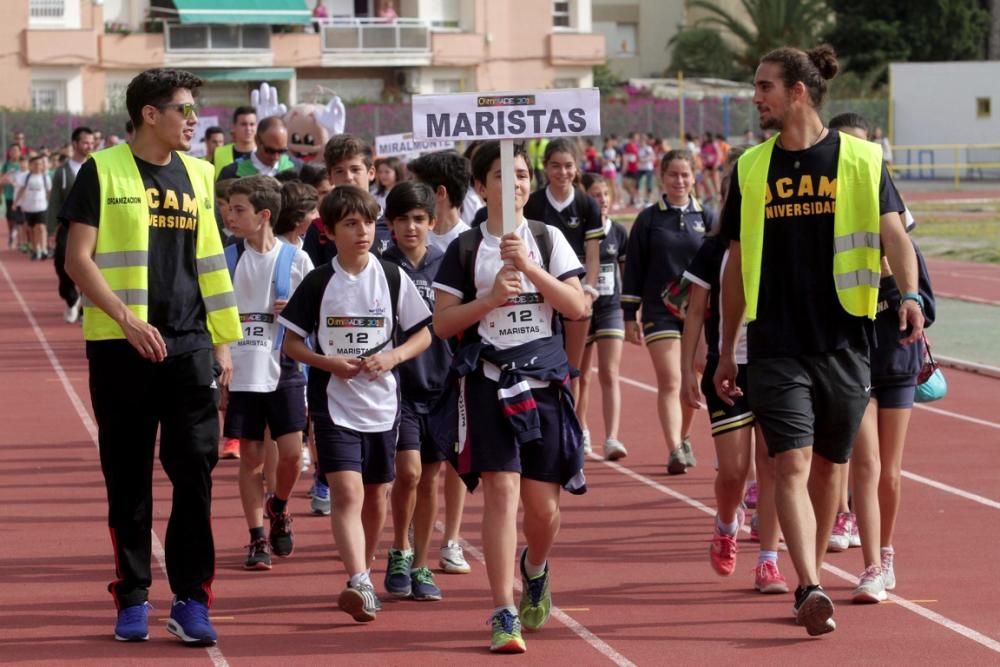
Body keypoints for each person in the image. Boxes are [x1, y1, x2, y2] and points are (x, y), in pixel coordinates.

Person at [713, 45, 923, 636]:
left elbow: (894, 238)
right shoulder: (750, 168)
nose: (756, 98)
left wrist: (909, 296)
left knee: (831, 468)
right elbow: (735, 267)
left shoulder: (860, 159)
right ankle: (807, 585)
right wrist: (728, 347)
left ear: (797, 92)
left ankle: (815, 577)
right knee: (791, 463)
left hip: (843, 340)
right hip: (776, 342)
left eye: (764, 88)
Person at [62, 68, 241, 646]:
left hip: (189, 346)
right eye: (184, 110)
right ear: (149, 114)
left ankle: (191, 599)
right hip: (122, 347)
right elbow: (77, 258)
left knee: (195, 476)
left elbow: (209, 259)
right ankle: (133, 595)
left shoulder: (201, 173)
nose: (194, 121)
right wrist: (125, 317)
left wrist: (221, 341)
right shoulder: (102, 169)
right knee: (129, 478)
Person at [431, 141, 588, 653]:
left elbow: (577, 307)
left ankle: (535, 567)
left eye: (521, 174)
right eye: (501, 176)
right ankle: (502, 610)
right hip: (488, 381)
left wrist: (533, 270)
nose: (515, 184)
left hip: (543, 382)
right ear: (480, 187)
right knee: (502, 493)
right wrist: (490, 298)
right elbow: (442, 323)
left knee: (543, 510)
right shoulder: (463, 249)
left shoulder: (548, 237)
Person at [279, 185, 432, 622]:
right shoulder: (319, 281)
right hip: (333, 402)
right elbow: (291, 343)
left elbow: (424, 331)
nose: (362, 231)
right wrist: (327, 362)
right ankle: (361, 580)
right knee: (346, 491)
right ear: (328, 232)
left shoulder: (391, 276)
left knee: (376, 495)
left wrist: (392, 357)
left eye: (367, 222)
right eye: (350, 224)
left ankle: (363, 570)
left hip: (383, 403)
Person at [825, 112, 935, 604]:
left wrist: (905, 296)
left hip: (895, 357)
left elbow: (922, 295)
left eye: (866, 147)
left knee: (889, 468)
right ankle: (870, 565)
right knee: (864, 463)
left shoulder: (897, 228)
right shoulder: (825, 209)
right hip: (849, 353)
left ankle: (885, 553)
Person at [679, 149, 788, 594]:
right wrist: (689, 369)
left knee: (775, 465)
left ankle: (769, 561)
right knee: (734, 470)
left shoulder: (783, 239)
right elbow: (695, 310)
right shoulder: (715, 248)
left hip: (778, 365)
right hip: (730, 366)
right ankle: (726, 523)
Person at [221, 175, 312, 571]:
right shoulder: (227, 258)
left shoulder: (296, 260)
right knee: (252, 459)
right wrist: (220, 356)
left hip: (285, 367)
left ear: (263, 215)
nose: (230, 215)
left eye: (238, 210)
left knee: (290, 455)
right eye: (228, 208)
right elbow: (212, 313)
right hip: (241, 370)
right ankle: (257, 536)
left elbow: (314, 318)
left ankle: (279, 506)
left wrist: (292, 311)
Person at [379, 181, 450, 601]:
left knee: (432, 479)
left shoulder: (447, 265)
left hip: (440, 385)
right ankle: (400, 550)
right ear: (390, 224)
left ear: (432, 222)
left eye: (419, 219)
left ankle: (422, 562)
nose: (411, 227)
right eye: (402, 219)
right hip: (397, 387)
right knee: (408, 472)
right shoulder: (382, 267)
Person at [402, 148, 473, 573]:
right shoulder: (409, 240)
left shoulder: (471, 240)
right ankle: (416, 533)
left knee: (456, 457)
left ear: (439, 195)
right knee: (417, 468)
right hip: (413, 372)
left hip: (458, 364)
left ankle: (451, 539)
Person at [622, 150, 711, 474]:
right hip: (659, 310)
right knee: (672, 379)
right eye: (673, 174)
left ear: (694, 177)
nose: (679, 181)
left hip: (699, 314)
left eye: (685, 175)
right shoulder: (648, 219)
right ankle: (674, 447)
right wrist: (629, 314)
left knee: (695, 376)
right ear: (661, 177)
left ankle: (684, 436)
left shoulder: (707, 217)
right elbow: (633, 269)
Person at [522, 138, 604, 416]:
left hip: (575, 292)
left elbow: (593, 254)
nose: (562, 172)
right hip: (540, 293)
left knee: (573, 368)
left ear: (577, 167)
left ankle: (577, 428)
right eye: (555, 166)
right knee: (542, 365)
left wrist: (589, 289)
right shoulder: (532, 204)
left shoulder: (587, 205)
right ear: (544, 168)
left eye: (568, 166)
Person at [576, 173, 628, 461]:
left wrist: (631, 309)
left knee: (609, 372)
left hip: (609, 309)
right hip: (581, 308)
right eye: (596, 195)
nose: (603, 200)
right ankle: (582, 430)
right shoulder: (577, 230)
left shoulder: (618, 232)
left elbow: (627, 272)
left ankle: (612, 437)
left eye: (606, 194)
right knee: (582, 375)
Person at [302, 134, 392, 266]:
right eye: (339, 171)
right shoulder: (320, 229)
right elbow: (312, 280)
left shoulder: (393, 224)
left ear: (371, 173)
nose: (348, 177)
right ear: (330, 177)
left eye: (355, 169)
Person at [48, 126, 94, 323]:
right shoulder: (62, 172)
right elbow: (55, 202)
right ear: (75, 144)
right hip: (68, 226)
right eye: (85, 143)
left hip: (91, 226)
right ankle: (70, 297)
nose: (89, 146)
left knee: (90, 265)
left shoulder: (96, 166)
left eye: (92, 143)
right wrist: (52, 229)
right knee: (61, 263)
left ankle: (84, 307)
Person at [217, 116, 296, 181]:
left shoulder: (296, 170)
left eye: (282, 151)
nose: (275, 157)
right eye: (270, 150)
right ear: (257, 140)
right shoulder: (232, 173)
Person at [14, 154, 52, 260]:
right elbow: (21, 190)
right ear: (31, 165)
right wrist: (16, 202)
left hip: (42, 206)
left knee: (41, 227)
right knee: (32, 229)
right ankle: (36, 249)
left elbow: (49, 192)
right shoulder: (26, 177)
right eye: (35, 164)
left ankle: (44, 249)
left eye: (39, 164)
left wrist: (51, 205)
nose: (37, 166)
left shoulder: (45, 177)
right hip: (29, 207)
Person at [214, 106, 257, 178]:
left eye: (252, 124)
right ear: (233, 127)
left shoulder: (264, 154)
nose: (248, 129)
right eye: (243, 124)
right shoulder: (218, 153)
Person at [3, 144, 25, 250]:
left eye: (16, 150)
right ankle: (12, 234)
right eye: (12, 150)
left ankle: (20, 238)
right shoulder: (6, 165)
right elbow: (1, 179)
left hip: (21, 197)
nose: (14, 152)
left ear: (20, 152)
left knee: (20, 218)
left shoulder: (22, 163)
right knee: (10, 217)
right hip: (9, 195)